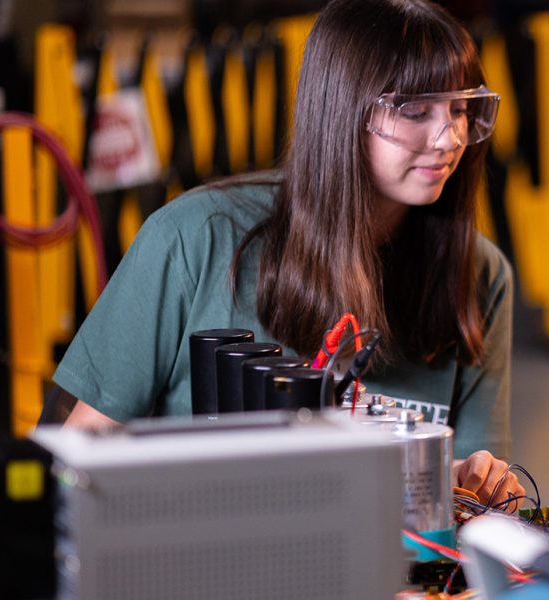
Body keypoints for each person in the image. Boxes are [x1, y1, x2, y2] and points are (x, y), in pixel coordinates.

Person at [49, 0, 522, 502]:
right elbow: (78, 455)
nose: (450, 138)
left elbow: (471, 497)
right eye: (416, 111)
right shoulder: (195, 240)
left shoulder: (479, 274)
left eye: (461, 110)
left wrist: (479, 481)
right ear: (343, 111)